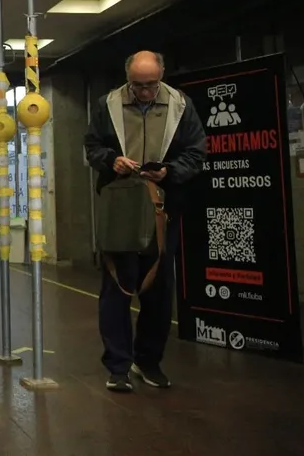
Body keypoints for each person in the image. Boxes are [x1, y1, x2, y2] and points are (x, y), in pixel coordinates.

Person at [84, 50, 206, 393]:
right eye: (138, 86)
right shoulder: (107, 104)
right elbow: (91, 146)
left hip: (164, 207)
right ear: (128, 80)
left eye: (151, 85)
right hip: (120, 205)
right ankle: (118, 366)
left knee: (159, 287)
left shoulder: (181, 105)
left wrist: (170, 171)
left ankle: (148, 361)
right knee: (116, 287)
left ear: (162, 75)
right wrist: (111, 160)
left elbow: (197, 152)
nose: (145, 92)